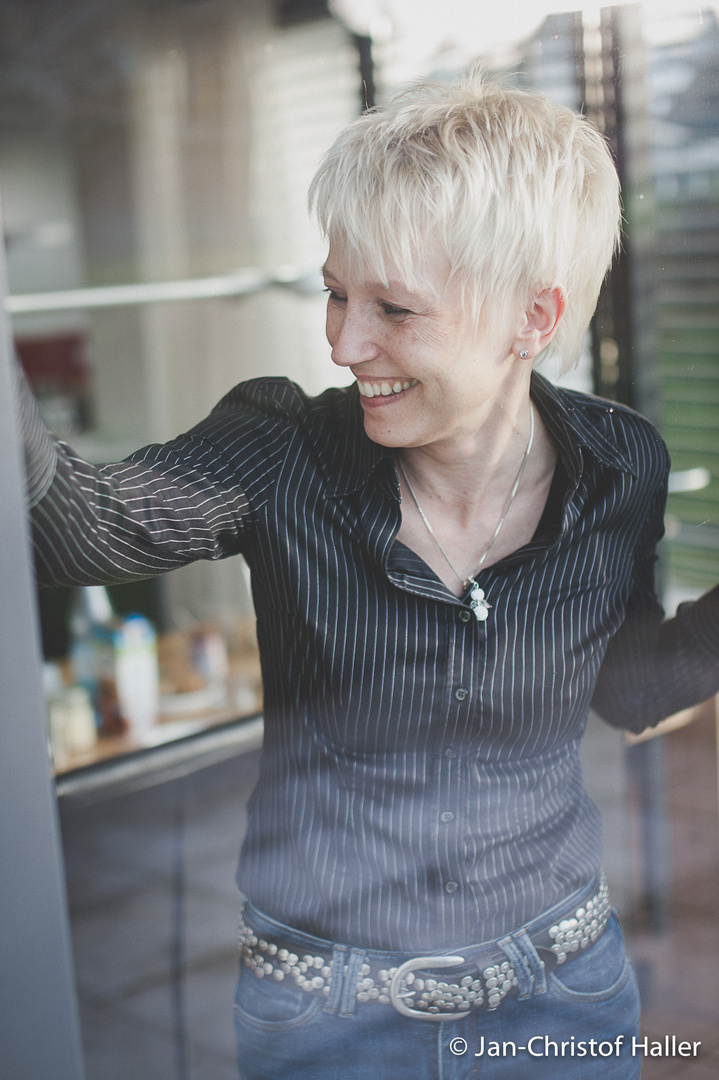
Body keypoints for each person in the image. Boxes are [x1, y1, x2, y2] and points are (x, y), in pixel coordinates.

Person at [19, 72, 719, 1079]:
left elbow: (625, 685)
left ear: (534, 316)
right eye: (335, 293)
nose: (343, 344)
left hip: (563, 995)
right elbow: (73, 532)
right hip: (328, 1024)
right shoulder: (279, 452)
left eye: (391, 307)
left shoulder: (620, 466)